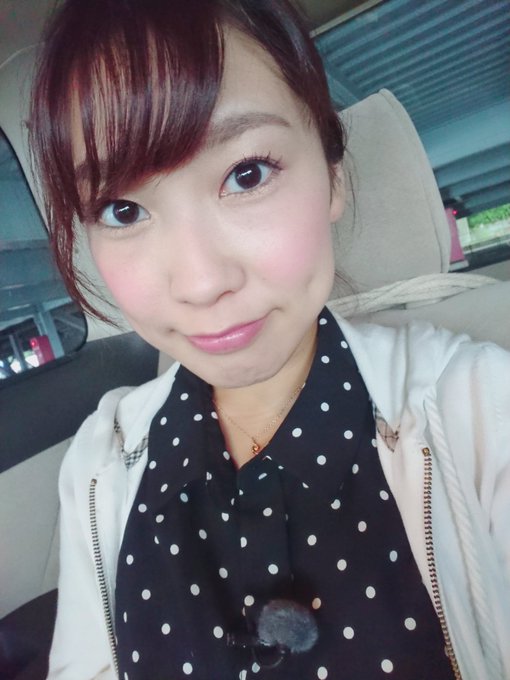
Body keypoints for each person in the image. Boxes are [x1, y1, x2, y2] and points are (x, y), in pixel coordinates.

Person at [29, 0, 510, 679]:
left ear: (332, 173)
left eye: (246, 174)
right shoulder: (99, 460)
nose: (201, 283)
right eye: (123, 209)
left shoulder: (481, 408)